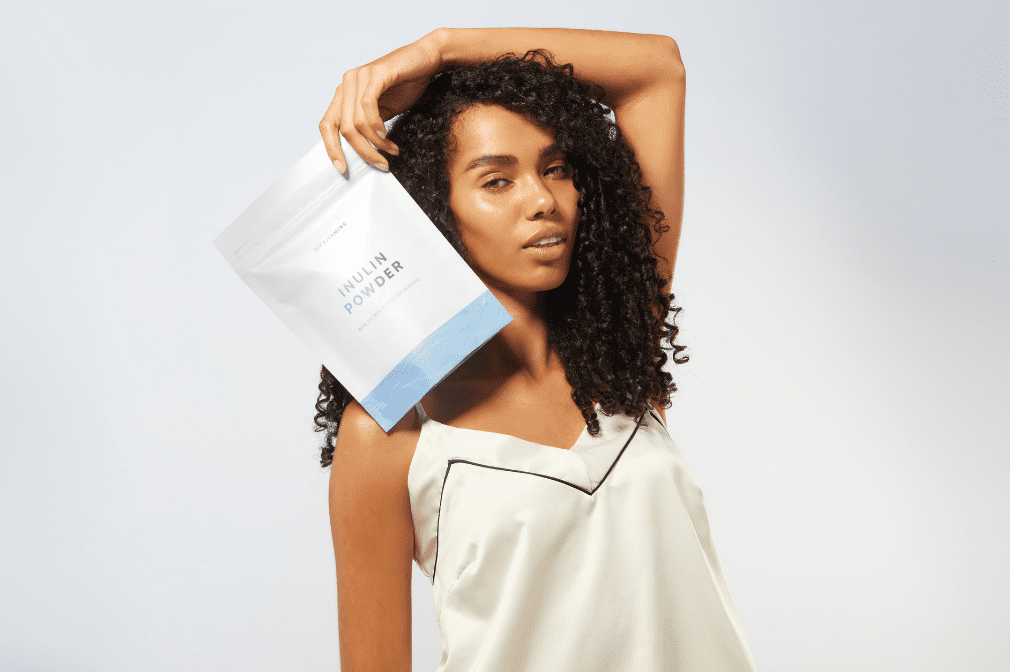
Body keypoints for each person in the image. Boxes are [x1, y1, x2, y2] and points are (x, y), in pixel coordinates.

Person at [314, 28, 756, 671]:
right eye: (497, 181)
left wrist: (440, 49)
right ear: (436, 212)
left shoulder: (618, 349)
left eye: (557, 169)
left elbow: (657, 69)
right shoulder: (394, 433)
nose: (543, 201)